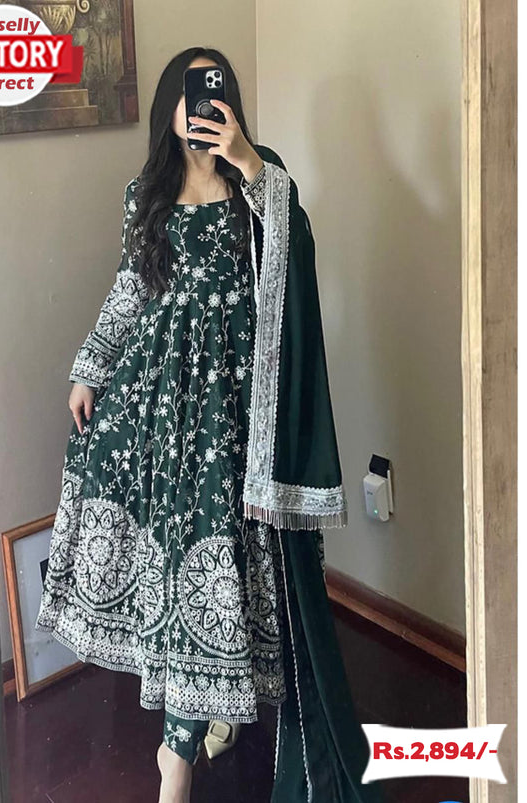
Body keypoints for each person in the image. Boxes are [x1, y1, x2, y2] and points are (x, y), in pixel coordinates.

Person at [35, 47, 385, 803]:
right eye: (187, 93)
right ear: (169, 106)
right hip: (165, 403)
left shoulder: (259, 178)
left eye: (212, 90)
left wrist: (247, 160)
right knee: (180, 561)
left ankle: (187, 742)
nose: (199, 107)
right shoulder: (147, 194)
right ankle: (182, 747)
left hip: (240, 409)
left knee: (223, 560)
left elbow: (294, 248)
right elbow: (131, 286)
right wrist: (89, 367)